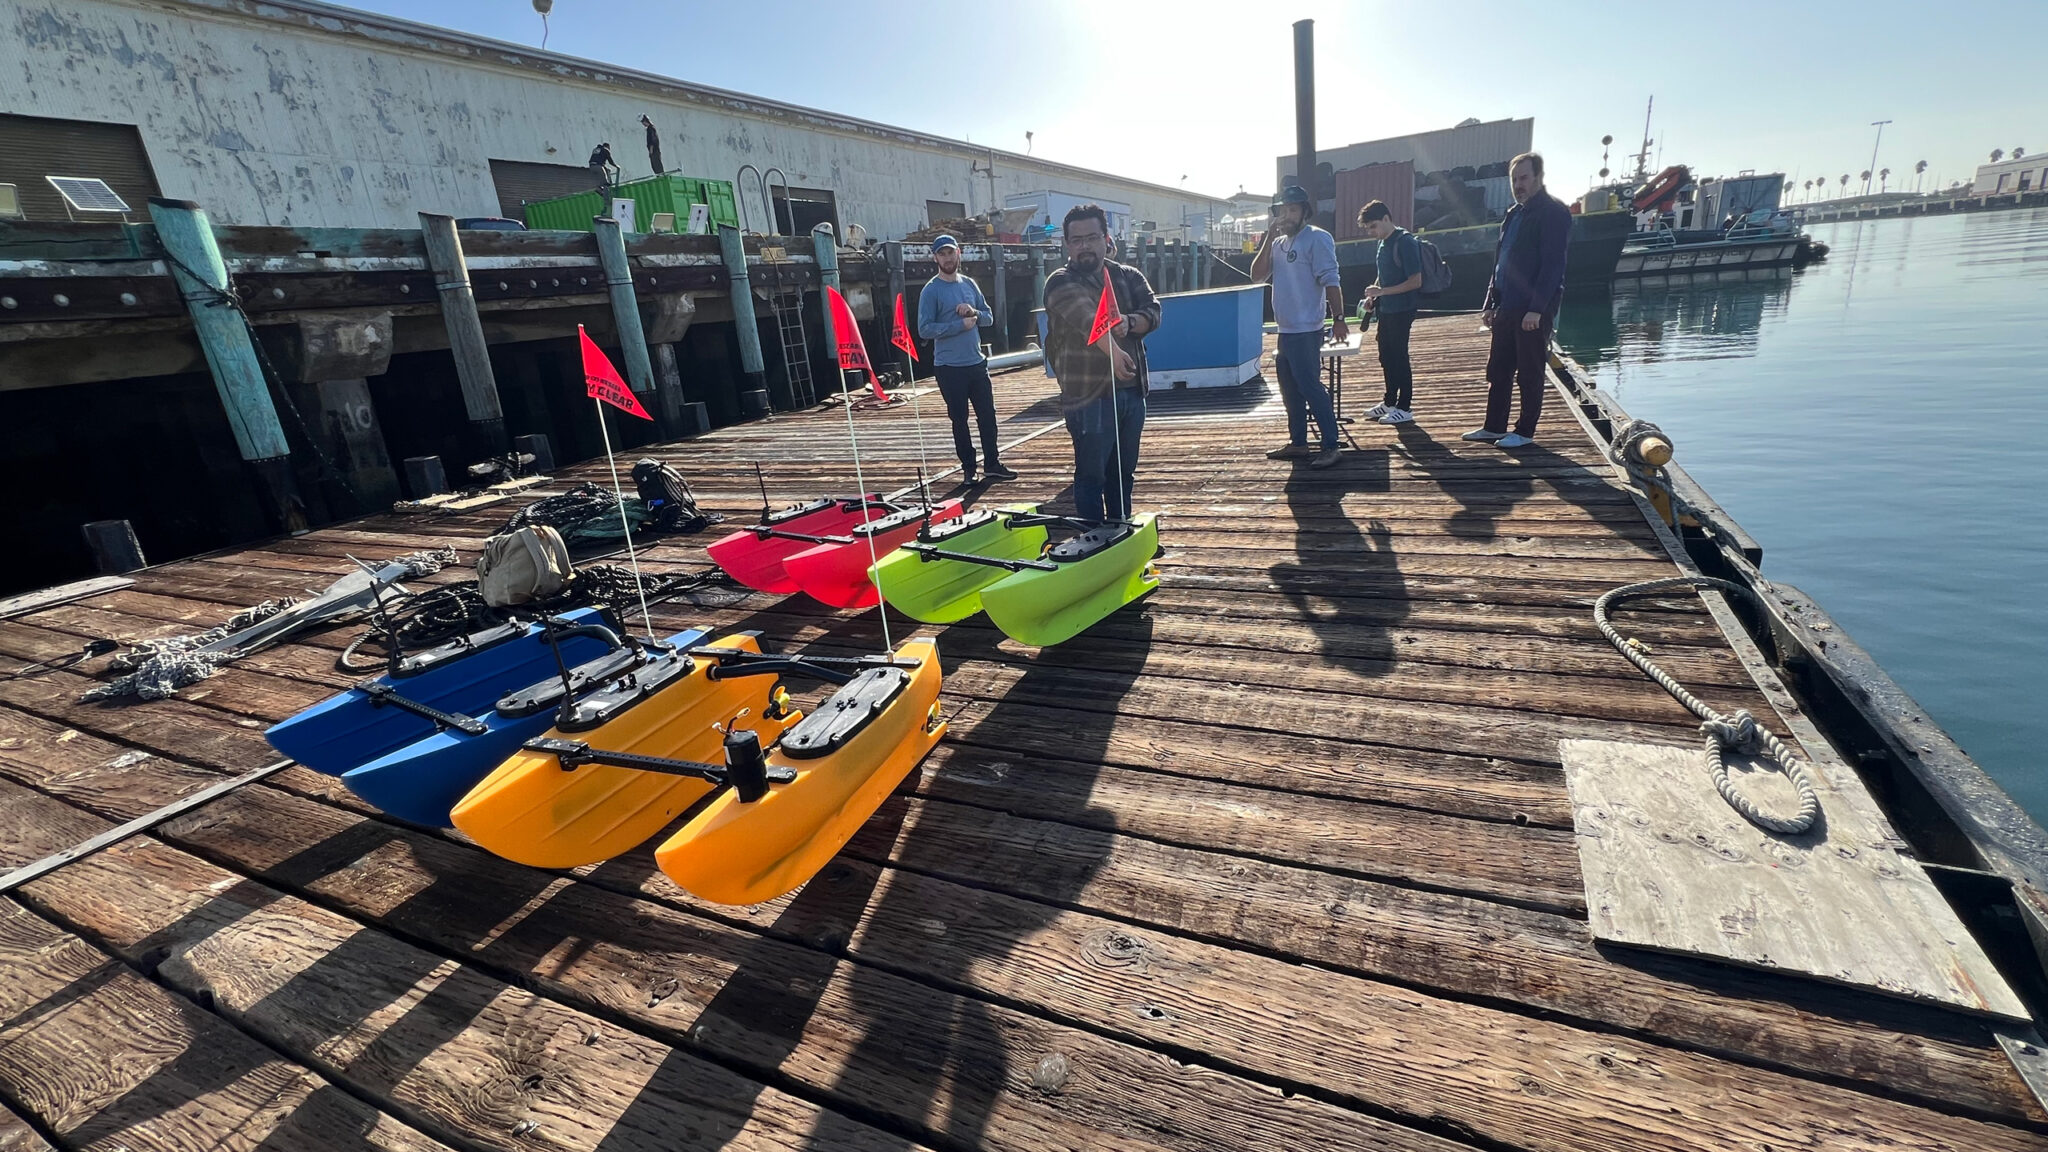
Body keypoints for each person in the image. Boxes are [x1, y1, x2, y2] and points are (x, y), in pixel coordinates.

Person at [1042, 203, 1160, 523]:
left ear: (1106, 239)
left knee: (1123, 472)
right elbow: (1087, 320)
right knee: (1091, 475)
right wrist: (1116, 352)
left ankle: (1121, 528)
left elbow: (1154, 311)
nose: (1085, 246)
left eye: (1092, 237)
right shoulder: (1059, 281)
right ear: (1067, 245)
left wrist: (1130, 321)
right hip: (1087, 398)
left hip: (1132, 393)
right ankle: (1092, 536)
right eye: (1077, 240)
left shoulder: (1128, 276)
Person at [1466, 152, 1571, 448]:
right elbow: (1501, 263)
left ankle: (1524, 431)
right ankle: (1494, 426)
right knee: (1498, 369)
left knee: (1529, 372)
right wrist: (1490, 302)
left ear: (1539, 177)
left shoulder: (1553, 212)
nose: (1518, 185)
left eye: (1524, 178)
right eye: (1514, 180)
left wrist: (1536, 309)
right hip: (1505, 306)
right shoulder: (1513, 214)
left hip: (1531, 310)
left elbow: (1553, 265)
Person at [1250, 184, 1348, 468]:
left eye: (1292, 210)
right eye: (1282, 210)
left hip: (1307, 330)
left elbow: (1332, 280)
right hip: (1285, 330)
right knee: (1289, 390)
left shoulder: (1318, 238)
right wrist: (1268, 238)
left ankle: (1331, 445)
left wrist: (1339, 319)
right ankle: (1299, 443)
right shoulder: (1278, 244)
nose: (1286, 216)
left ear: (1305, 211)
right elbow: (1256, 276)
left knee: (1310, 387)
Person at [915, 234, 1014, 483]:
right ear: (935, 258)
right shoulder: (931, 291)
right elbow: (924, 329)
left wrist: (973, 312)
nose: (947, 258)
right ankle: (969, 469)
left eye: (950, 252)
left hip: (976, 364)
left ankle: (992, 464)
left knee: (988, 416)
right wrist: (959, 325)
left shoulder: (970, 284)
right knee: (959, 420)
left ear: (959, 253)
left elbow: (988, 317)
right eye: (942, 254)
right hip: (949, 367)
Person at [1357, 200, 1422, 424]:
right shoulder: (1383, 243)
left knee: (1399, 356)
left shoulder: (1405, 242)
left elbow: (1415, 281)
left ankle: (1404, 407)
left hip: (1402, 309)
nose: (1371, 232)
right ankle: (1389, 402)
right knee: (1386, 355)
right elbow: (1384, 274)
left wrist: (1382, 291)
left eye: (1373, 226)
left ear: (1386, 218)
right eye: (1368, 228)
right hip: (1386, 309)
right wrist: (1373, 296)